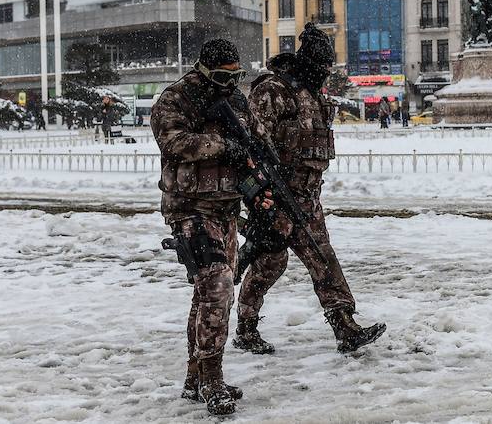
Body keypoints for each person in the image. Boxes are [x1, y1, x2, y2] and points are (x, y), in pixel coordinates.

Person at [235, 23, 386, 357]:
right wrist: (258, 197)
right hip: (274, 199)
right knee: (270, 264)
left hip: (306, 200)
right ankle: (245, 327)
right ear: (306, 62)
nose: (325, 72)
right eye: (321, 65)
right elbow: (249, 146)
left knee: (323, 259)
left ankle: (345, 326)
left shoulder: (315, 95)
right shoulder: (273, 90)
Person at [151, 38, 272, 416]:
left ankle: (195, 375)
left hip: (226, 209)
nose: (229, 83)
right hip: (189, 208)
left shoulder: (237, 102)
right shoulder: (177, 99)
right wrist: (223, 146)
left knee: (210, 294)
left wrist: (260, 184)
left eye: (235, 76)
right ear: (204, 69)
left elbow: (256, 141)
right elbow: (173, 141)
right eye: (222, 76)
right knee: (218, 287)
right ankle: (212, 377)